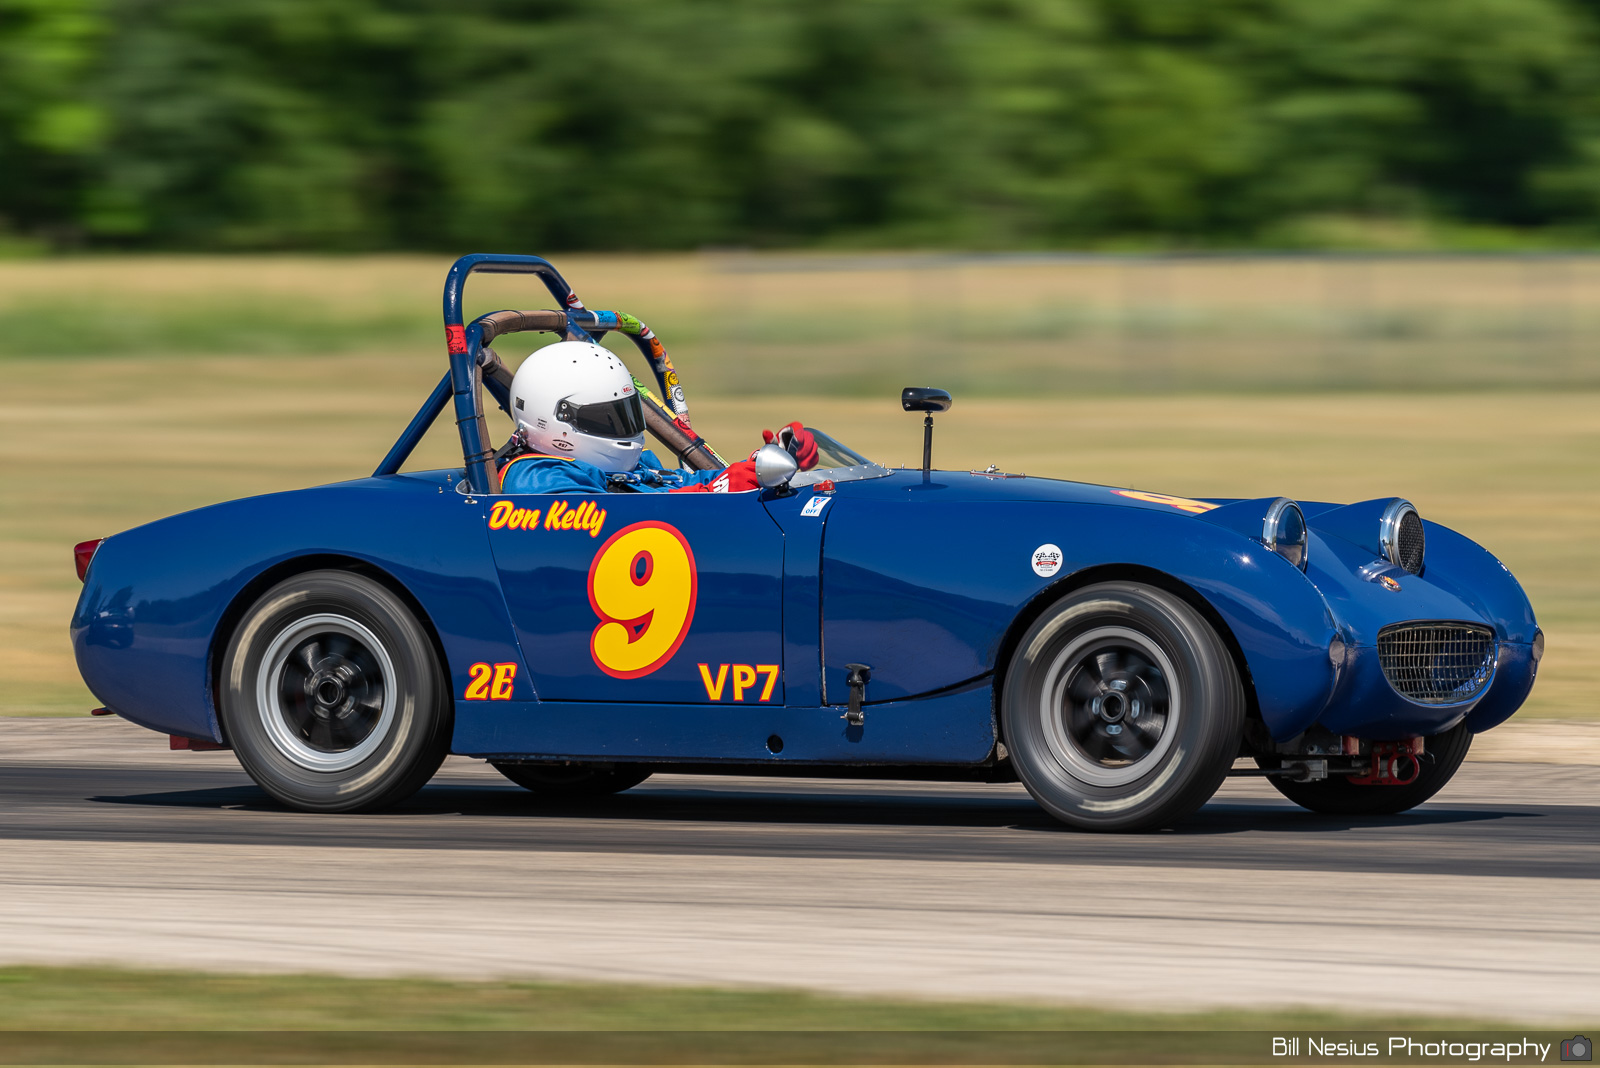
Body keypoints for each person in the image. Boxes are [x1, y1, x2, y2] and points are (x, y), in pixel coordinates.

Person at [497, 340, 818, 494]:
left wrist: (757, 467)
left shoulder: (636, 467)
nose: (622, 429)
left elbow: (685, 482)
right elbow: (606, 527)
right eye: (607, 418)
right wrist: (714, 494)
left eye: (626, 413)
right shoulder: (537, 479)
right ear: (553, 421)